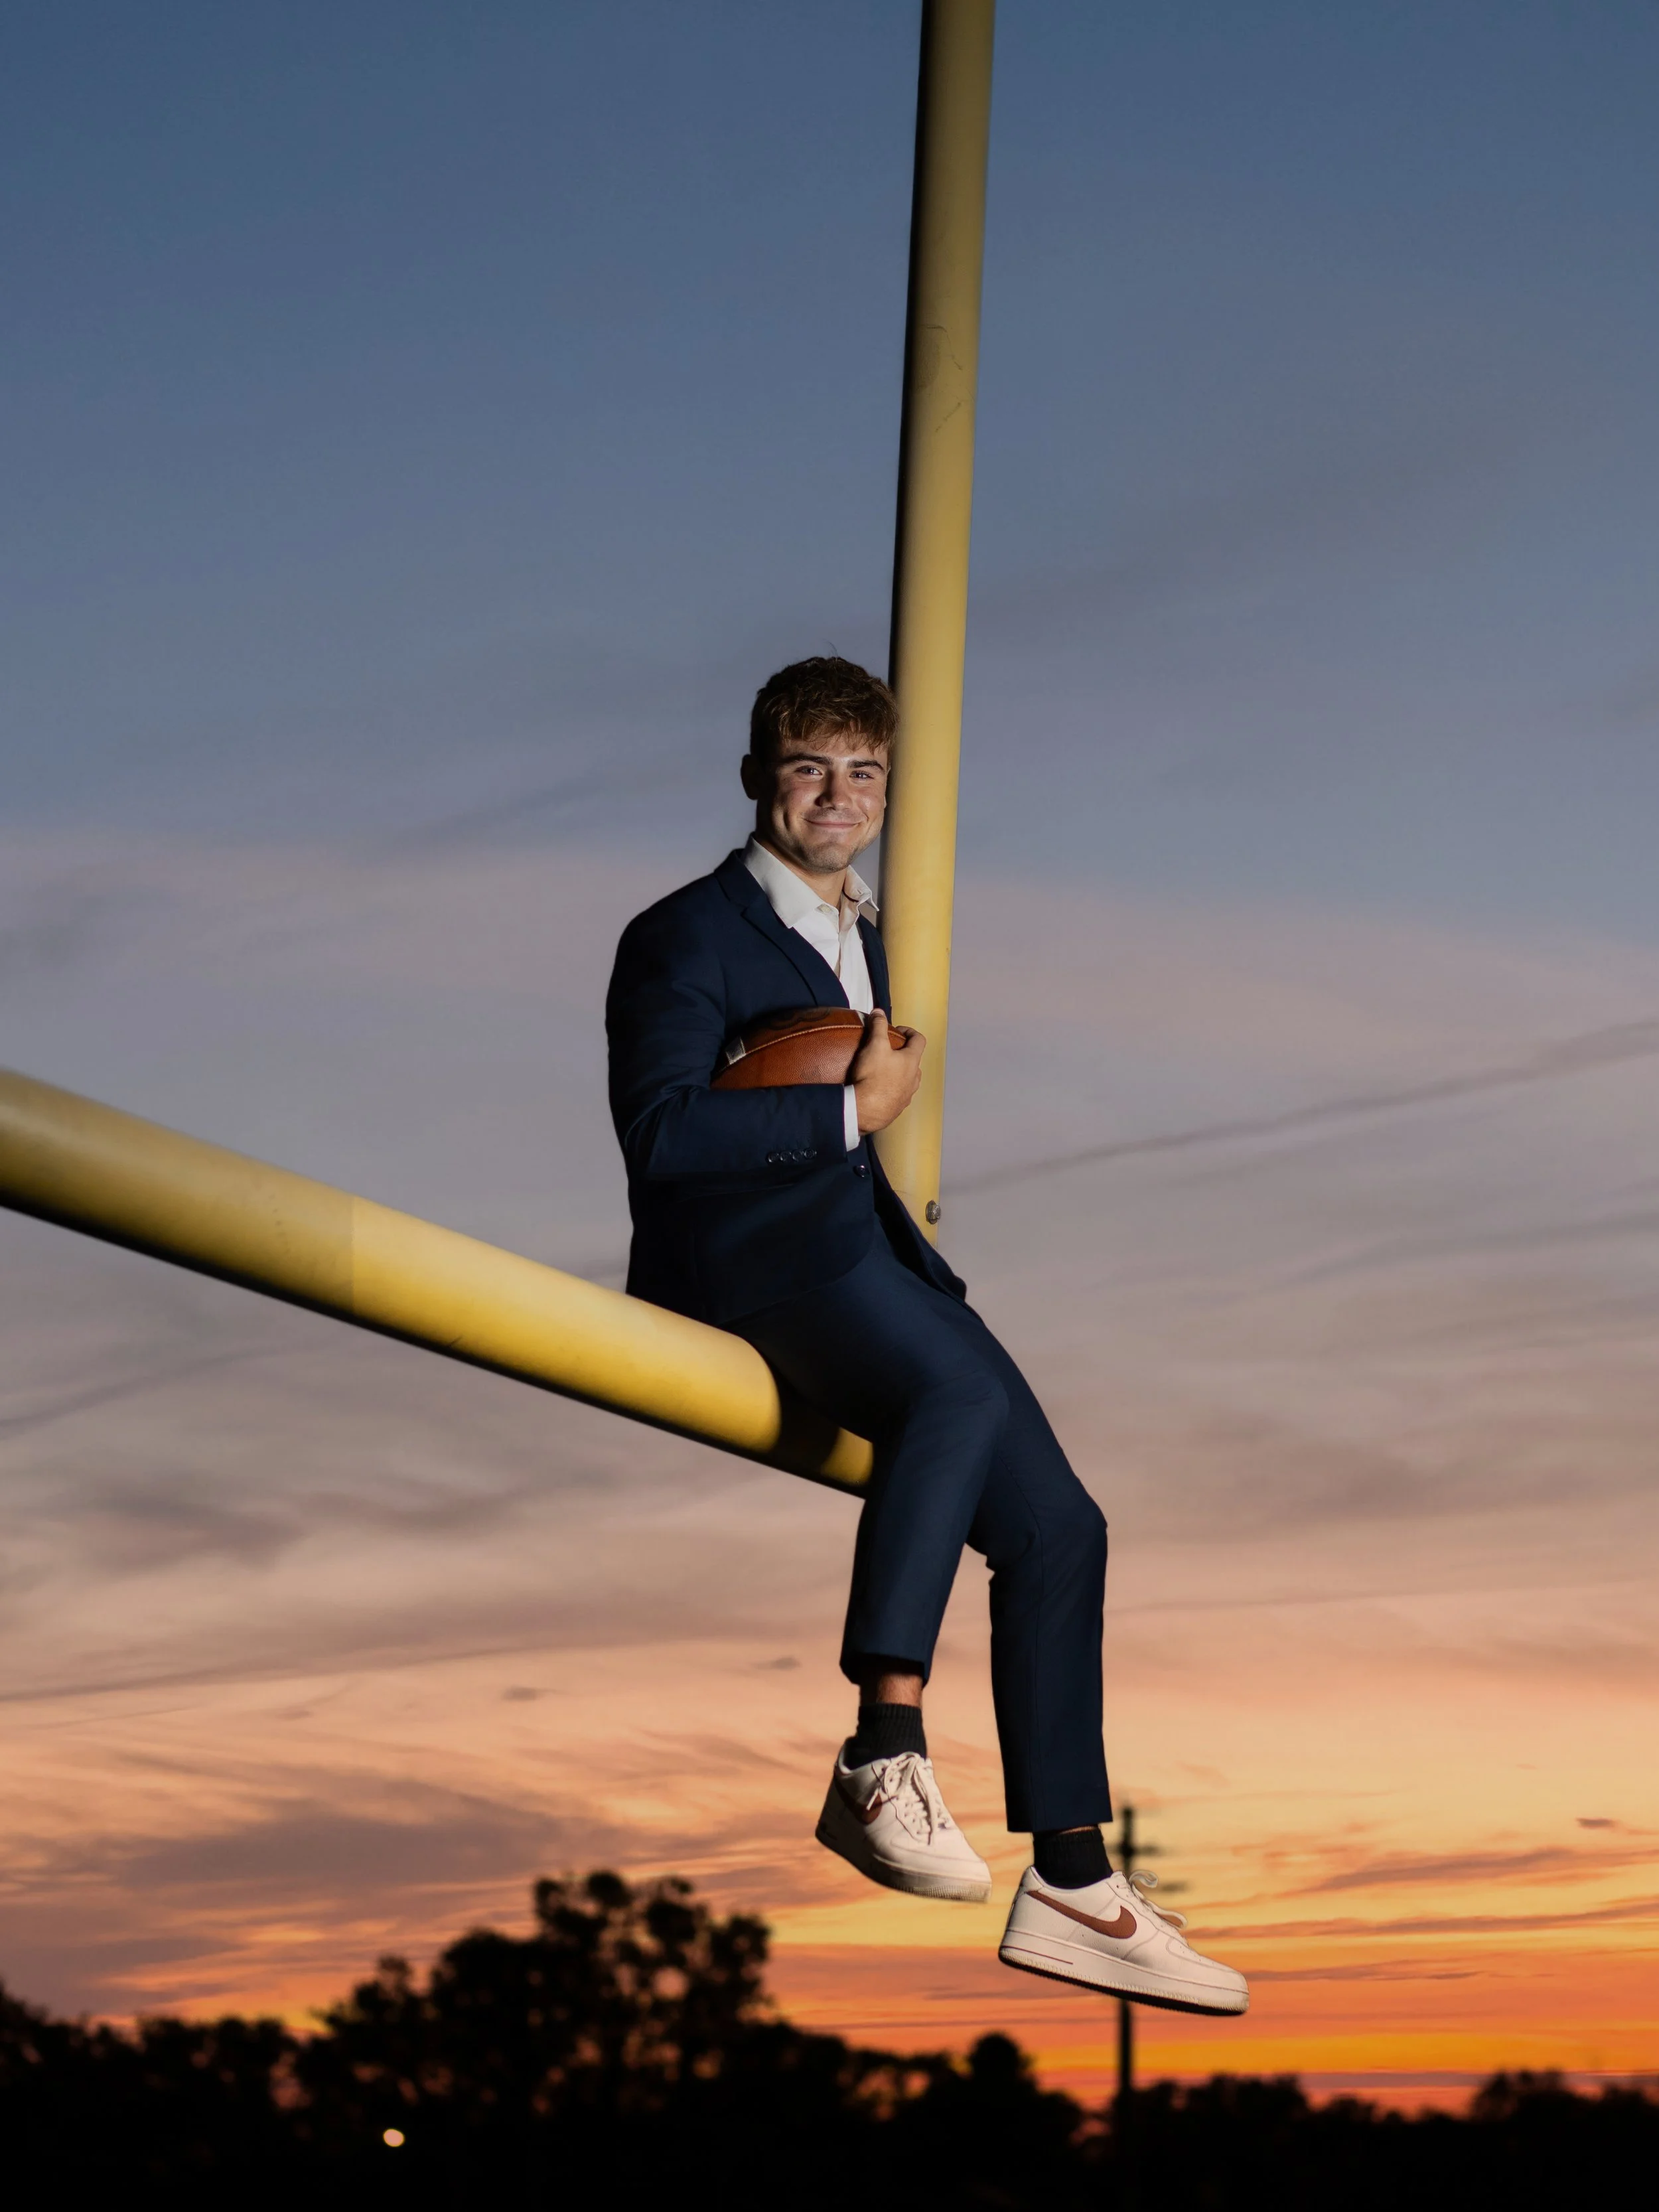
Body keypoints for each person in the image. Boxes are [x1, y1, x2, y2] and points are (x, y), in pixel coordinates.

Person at [606, 656, 1246, 2016]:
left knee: (1062, 1527)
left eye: (862, 774)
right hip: (746, 1258)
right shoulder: (681, 933)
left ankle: (1072, 1878)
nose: (834, 797)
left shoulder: (865, 923)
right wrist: (849, 1112)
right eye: (805, 768)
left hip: (862, 1252)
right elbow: (660, 1132)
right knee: (951, 1392)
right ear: (753, 777)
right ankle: (878, 1751)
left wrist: (860, 1135)